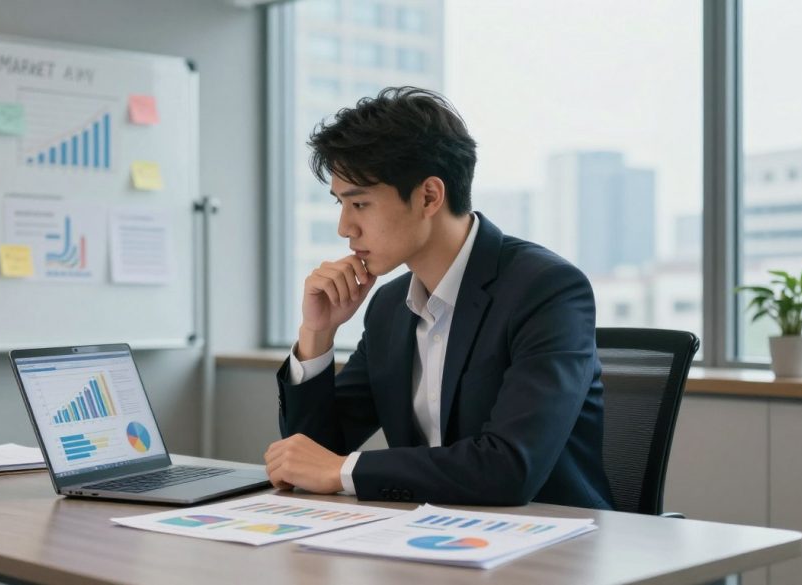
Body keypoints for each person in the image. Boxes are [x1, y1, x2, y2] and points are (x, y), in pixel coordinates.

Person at [263, 87, 614, 509]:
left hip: (552, 543)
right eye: (341, 203)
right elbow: (313, 455)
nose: (345, 227)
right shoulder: (390, 306)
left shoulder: (546, 290)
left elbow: (510, 469)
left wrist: (341, 470)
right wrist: (317, 333)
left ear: (429, 196)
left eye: (360, 203)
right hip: (427, 537)